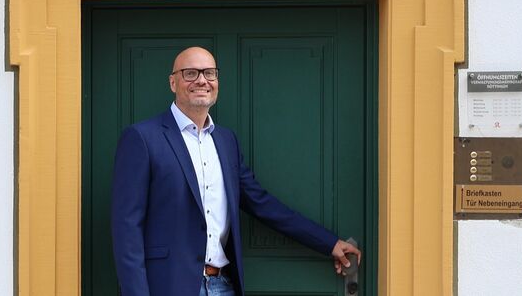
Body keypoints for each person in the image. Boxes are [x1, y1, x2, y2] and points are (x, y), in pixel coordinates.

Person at [111, 46, 361, 296]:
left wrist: (328, 243)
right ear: (173, 82)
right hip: (168, 287)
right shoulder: (143, 138)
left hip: (223, 286)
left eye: (209, 73)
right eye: (190, 73)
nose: (201, 80)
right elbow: (127, 229)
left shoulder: (226, 141)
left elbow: (262, 204)